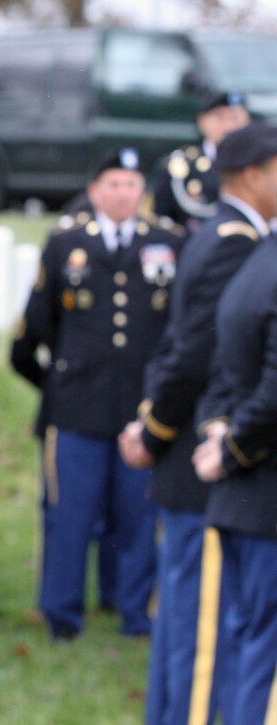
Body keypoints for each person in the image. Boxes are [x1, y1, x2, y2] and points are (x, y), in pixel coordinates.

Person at [118, 122, 277, 724]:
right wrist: (157, 430)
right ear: (256, 174)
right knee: (205, 634)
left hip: (198, 449)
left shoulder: (219, 235)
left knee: (189, 619)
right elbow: (194, 356)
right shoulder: (240, 244)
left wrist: (150, 425)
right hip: (207, 457)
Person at [12, 147, 185, 641]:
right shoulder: (66, 243)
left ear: (142, 193)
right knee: (70, 516)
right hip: (76, 409)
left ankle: (135, 613)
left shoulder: (167, 243)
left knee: (137, 516)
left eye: (131, 184)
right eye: (112, 183)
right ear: (94, 191)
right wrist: (59, 385)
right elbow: (33, 333)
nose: (122, 193)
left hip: (141, 408)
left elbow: (177, 330)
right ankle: (62, 616)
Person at [192, 226, 277, 725]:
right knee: (260, 655)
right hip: (263, 487)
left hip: (244, 494)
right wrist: (233, 445)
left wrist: (223, 434)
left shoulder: (258, 259)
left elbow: (226, 371)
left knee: (243, 642)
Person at [151, 90, 250, 232]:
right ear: (202, 121)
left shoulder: (259, 167)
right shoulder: (180, 166)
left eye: (235, 118)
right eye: (220, 118)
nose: (229, 126)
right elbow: (162, 223)